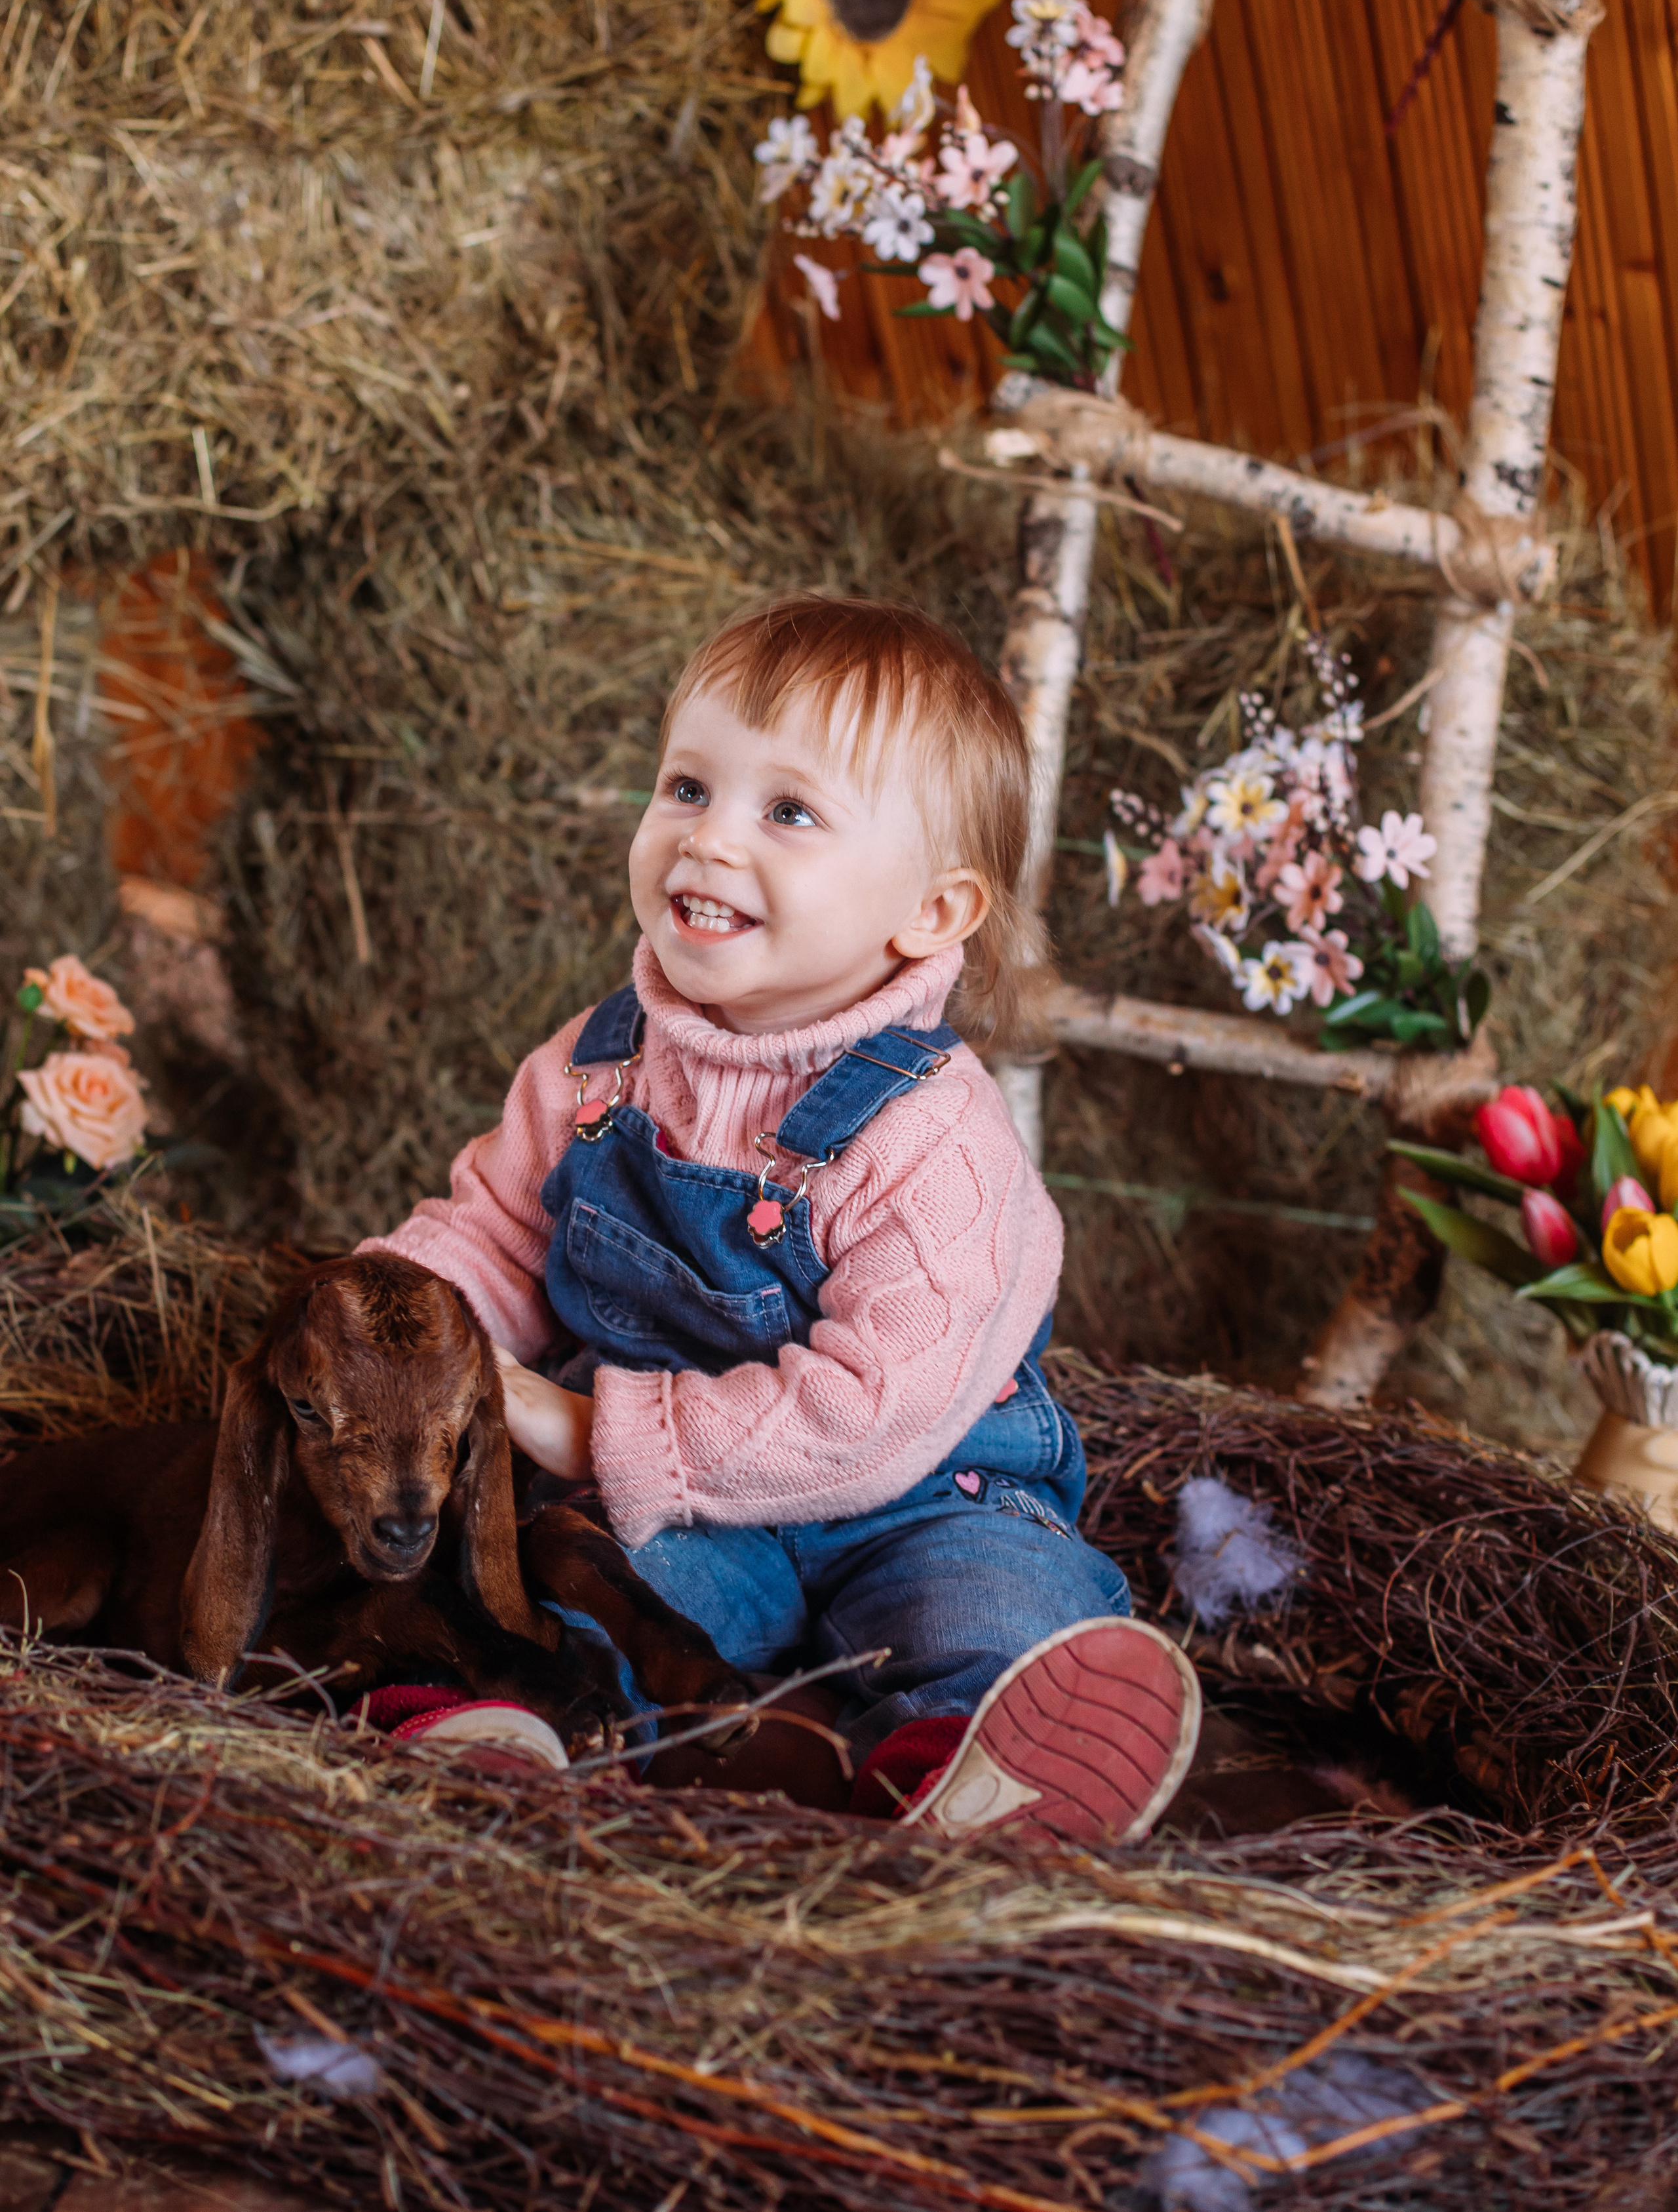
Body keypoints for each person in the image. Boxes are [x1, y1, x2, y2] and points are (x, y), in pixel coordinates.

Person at [361, 591, 1200, 1840]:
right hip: (681, 1508)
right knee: (560, 1573)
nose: (706, 841)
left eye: (788, 811)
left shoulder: (937, 1139)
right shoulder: (593, 1070)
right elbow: (494, 1233)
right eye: (688, 786)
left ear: (933, 912)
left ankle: (964, 1774)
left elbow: (874, 1415)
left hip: (921, 1496)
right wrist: (390, 1323)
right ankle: (514, 1718)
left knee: (1001, 1610)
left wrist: (584, 1424)